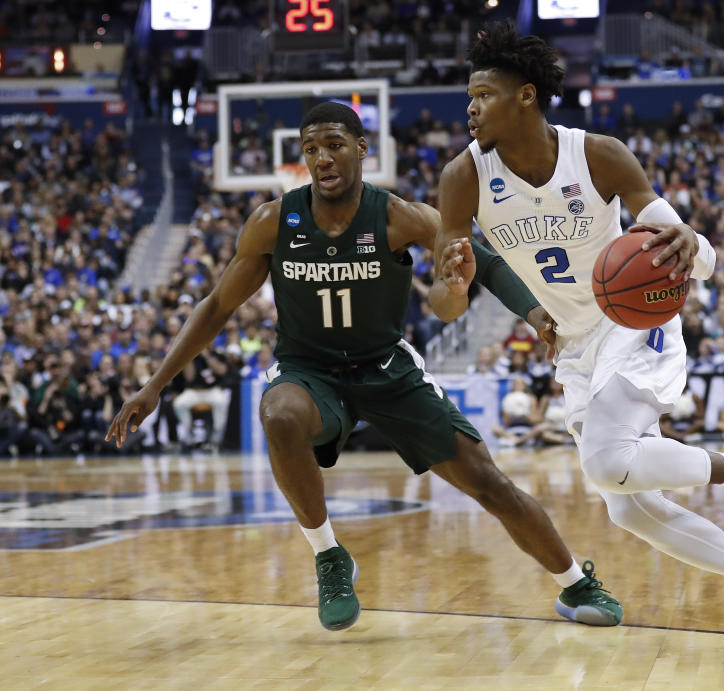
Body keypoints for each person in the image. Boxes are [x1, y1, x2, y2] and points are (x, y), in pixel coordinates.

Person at [106, 102, 621, 632]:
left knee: (487, 481)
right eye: (311, 149)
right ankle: (329, 555)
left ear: (361, 149)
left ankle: (574, 583)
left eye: (333, 144)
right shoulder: (273, 222)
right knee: (279, 414)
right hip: (310, 372)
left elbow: (482, 260)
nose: (322, 158)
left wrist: (534, 312)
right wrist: (154, 386)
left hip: (387, 368)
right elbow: (216, 307)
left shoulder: (399, 216)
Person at [432, 22, 724, 658]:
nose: (470, 108)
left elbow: (698, 260)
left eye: (482, 95)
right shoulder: (462, 179)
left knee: (607, 461)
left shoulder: (596, 154)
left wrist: (694, 243)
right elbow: (444, 305)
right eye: (468, 97)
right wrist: (455, 287)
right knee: (629, 509)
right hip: (573, 346)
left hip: (633, 320)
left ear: (525, 96)